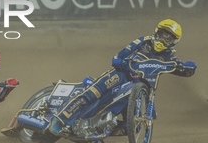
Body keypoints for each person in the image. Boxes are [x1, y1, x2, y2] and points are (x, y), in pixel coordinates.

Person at [49, 20, 197, 135]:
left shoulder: (170, 57)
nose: (164, 39)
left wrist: (190, 69)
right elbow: (119, 55)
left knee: (133, 127)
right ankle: (59, 120)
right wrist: (119, 61)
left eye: (169, 37)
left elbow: (181, 69)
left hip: (138, 88)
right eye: (163, 34)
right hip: (121, 75)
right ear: (157, 32)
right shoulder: (143, 41)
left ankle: (98, 128)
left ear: (174, 41)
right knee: (91, 94)